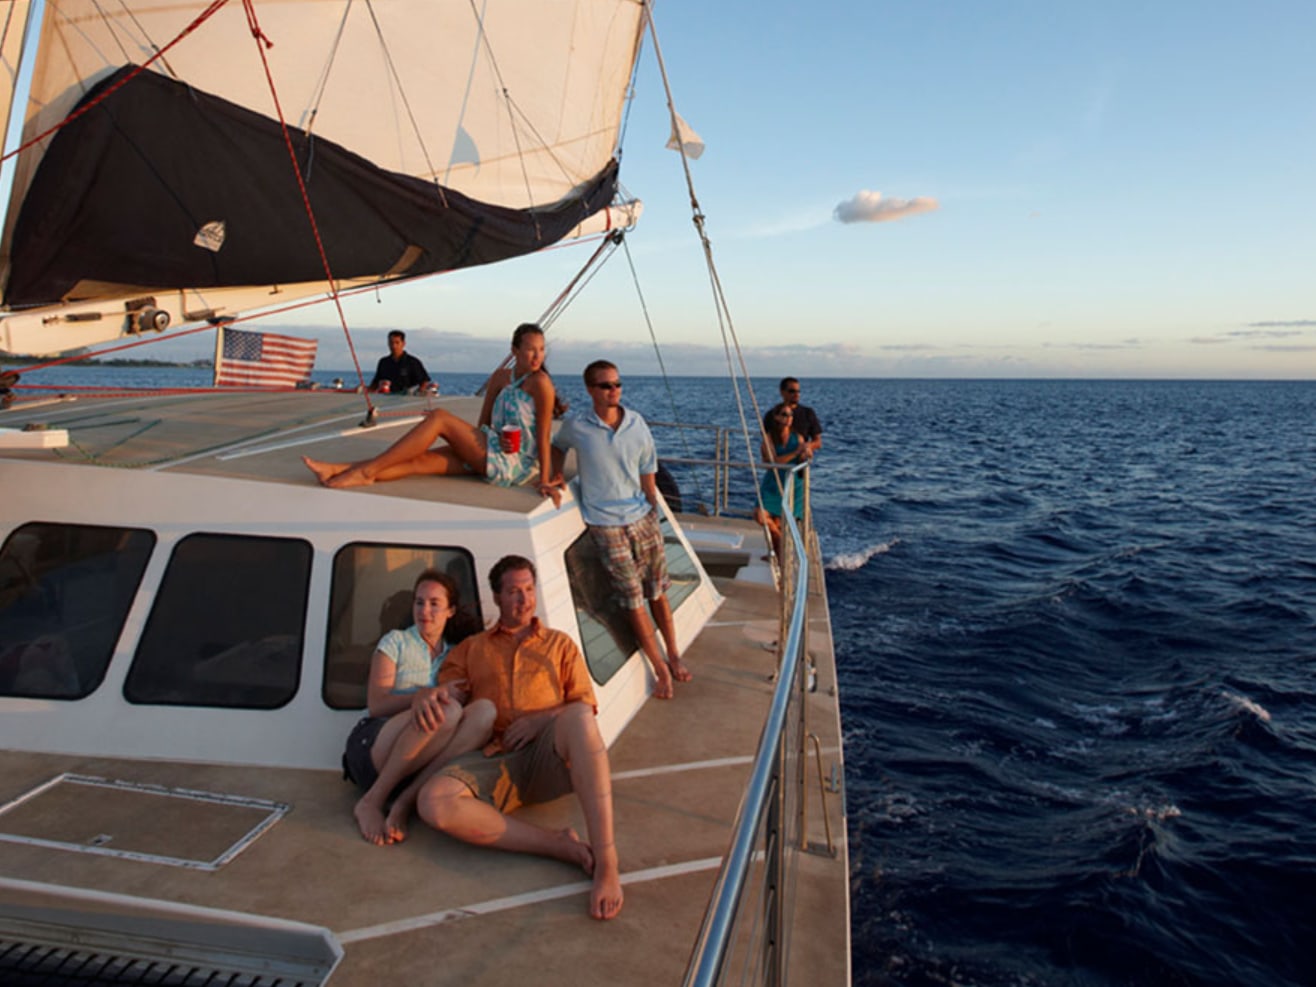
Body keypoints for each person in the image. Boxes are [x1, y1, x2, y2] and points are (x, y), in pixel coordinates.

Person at [416, 555, 624, 920]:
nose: (524, 600)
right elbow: (449, 695)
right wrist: (425, 694)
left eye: (529, 589)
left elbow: (584, 704)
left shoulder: (560, 645)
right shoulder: (473, 648)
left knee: (578, 717)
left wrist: (540, 720)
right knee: (432, 802)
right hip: (493, 757)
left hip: (547, 756)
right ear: (497, 597)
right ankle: (558, 846)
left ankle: (607, 862)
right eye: (514, 592)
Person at [549, 360, 690, 699]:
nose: (614, 391)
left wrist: (652, 507)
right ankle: (659, 668)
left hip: (642, 518)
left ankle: (673, 653)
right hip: (606, 525)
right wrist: (555, 475)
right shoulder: (578, 426)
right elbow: (557, 446)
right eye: (605, 386)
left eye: (617, 384)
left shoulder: (636, 423)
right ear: (590, 390)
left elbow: (648, 465)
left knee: (658, 591)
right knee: (633, 599)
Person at [303, 323, 561, 501]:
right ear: (514, 351)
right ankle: (336, 469)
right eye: (530, 349)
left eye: (541, 349)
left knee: (439, 418)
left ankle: (364, 473)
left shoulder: (541, 384)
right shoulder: (500, 377)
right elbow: (483, 424)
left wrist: (544, 479)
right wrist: (484, 441)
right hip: (491, 447)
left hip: (515, 463)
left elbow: (544, 435)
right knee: (417, 462)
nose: (537, 355)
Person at [341, 570, 494, 846]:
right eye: (419, 602)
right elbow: (377, 705)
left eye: (434, 603)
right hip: (374, 748)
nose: (424, 611)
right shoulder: (396, 642)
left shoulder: (457, 654)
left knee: (485, 712)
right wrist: (422, 695)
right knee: (447, 710)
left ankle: (405, 801)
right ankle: (371, 801)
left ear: (450, 611)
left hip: (418, 767)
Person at [754, 403, 808, 561]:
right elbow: (773, 462)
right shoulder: (769, 438)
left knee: (778, 522)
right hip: (772, 484)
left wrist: (805, 453)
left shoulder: (797, 438)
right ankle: (782, 544)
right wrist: (796, 452)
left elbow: (802, 458)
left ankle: (778, 555)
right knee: (760, 515)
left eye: (791, 415)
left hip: (791, 483)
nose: (789, 418)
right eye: (784, 414)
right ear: (776, 417)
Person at [762, 376, 822, 457]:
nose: (796, 394)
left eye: (798, 391)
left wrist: (807, 446)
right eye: (792, 391)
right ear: (782, 392)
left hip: (800, 459)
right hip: (778, 459)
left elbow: (818, 442)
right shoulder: (771, 415)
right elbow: (766, 440)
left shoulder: (808, 413)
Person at [369, 330, 432, 394]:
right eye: (391, 343)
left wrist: (419, 392)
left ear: (403, 343)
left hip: (407, 398)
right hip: (386, 398)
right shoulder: (383, 362)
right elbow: (375, 383)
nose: (394, 346)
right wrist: (366, 390)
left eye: (397, 343)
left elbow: (424, 381)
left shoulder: (413, 362)